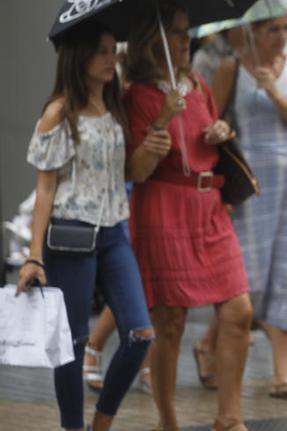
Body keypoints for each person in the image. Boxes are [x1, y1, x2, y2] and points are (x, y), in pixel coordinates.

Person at [16, 23, 154, 431]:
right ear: (80, 56)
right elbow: (44, 191)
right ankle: (73, 427)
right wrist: (34, 255)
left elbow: (127, 170)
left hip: (114, 233)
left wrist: (162, 122)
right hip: (71, 235)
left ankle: (102, 422)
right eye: (103, 51)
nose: (112, 58)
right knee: (72, 344)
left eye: (115, 50)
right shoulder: (59, 111)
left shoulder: (116, 106)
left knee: (140, 334)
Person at [124, 2, 253, 431]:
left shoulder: (197, 81)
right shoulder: (136, 95)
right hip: (163, 209)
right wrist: (161, 120)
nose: (186, 40)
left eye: (186, 31)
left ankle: (229, 419)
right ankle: (169, 423)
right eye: (177, 33)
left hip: (210, 208)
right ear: (153, 41)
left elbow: (212, 136)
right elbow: (136, 171)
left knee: (238, 310)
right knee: (170, 322)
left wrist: (221, 131)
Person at [199, 0, 287, 401]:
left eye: (286, 28)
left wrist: (273, 92)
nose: (282, 37)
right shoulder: (232, 68)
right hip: (251, 184)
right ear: (254, 31)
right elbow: (213, 122)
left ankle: (283, 376)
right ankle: (210, 346)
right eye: (274, 30)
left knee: (286, 272)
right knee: (247, 274)